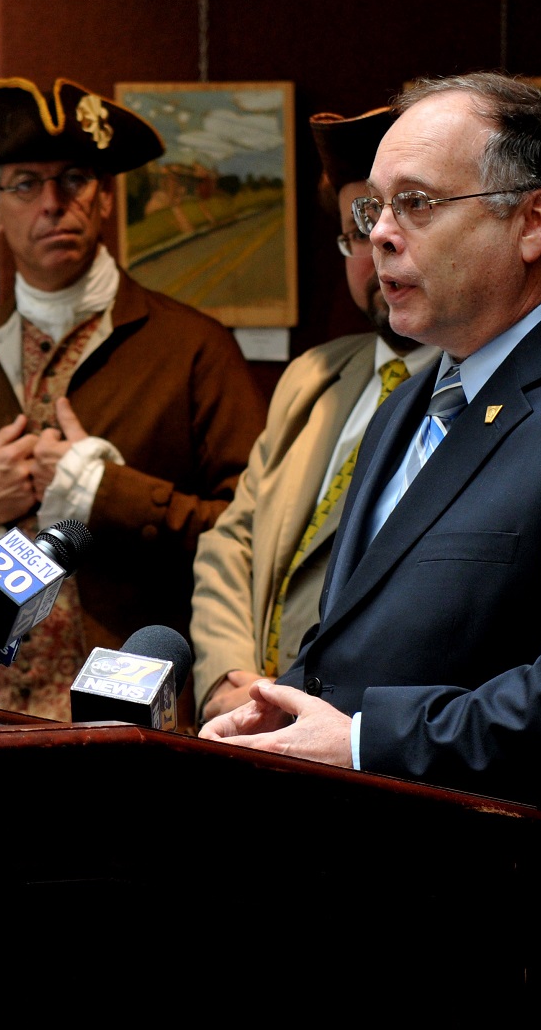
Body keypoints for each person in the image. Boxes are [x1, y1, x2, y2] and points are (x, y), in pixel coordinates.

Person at [200, 74, 541, 1020]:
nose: (379, 236)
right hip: (371, 935)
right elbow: (361, 636)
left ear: (534, 222)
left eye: (415, 205)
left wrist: (365, 739)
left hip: (528, 955)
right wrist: (284, 725)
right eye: (372, 209)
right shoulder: (411, 400)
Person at [0, 77, 263, 721]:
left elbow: (250, 544)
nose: (53, 202)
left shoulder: (194, 347)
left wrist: (104, 495)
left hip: (126, 716)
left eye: (75, 178)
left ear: (105, 198)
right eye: (25, 184)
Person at [190, 107, 441, 721]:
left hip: (364, 743)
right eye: (357, 228)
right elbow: (234, 540)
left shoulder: (471, 390)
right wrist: (229, 678)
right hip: (255, 722)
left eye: (403, 214)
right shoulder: (312, 377)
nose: (378, 246)